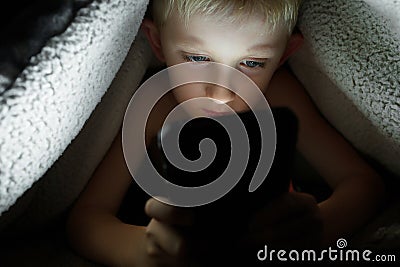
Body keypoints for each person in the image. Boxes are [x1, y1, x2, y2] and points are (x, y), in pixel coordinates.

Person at [66, 0, 385, 266]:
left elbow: (363, 183)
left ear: (285, 55)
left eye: (251, 62)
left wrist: (314, 231)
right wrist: (148, 251)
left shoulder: (277, 98)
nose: (220, 93)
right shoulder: (155, 110)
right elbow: (87, 219)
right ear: (158, 42)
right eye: (197, 58)